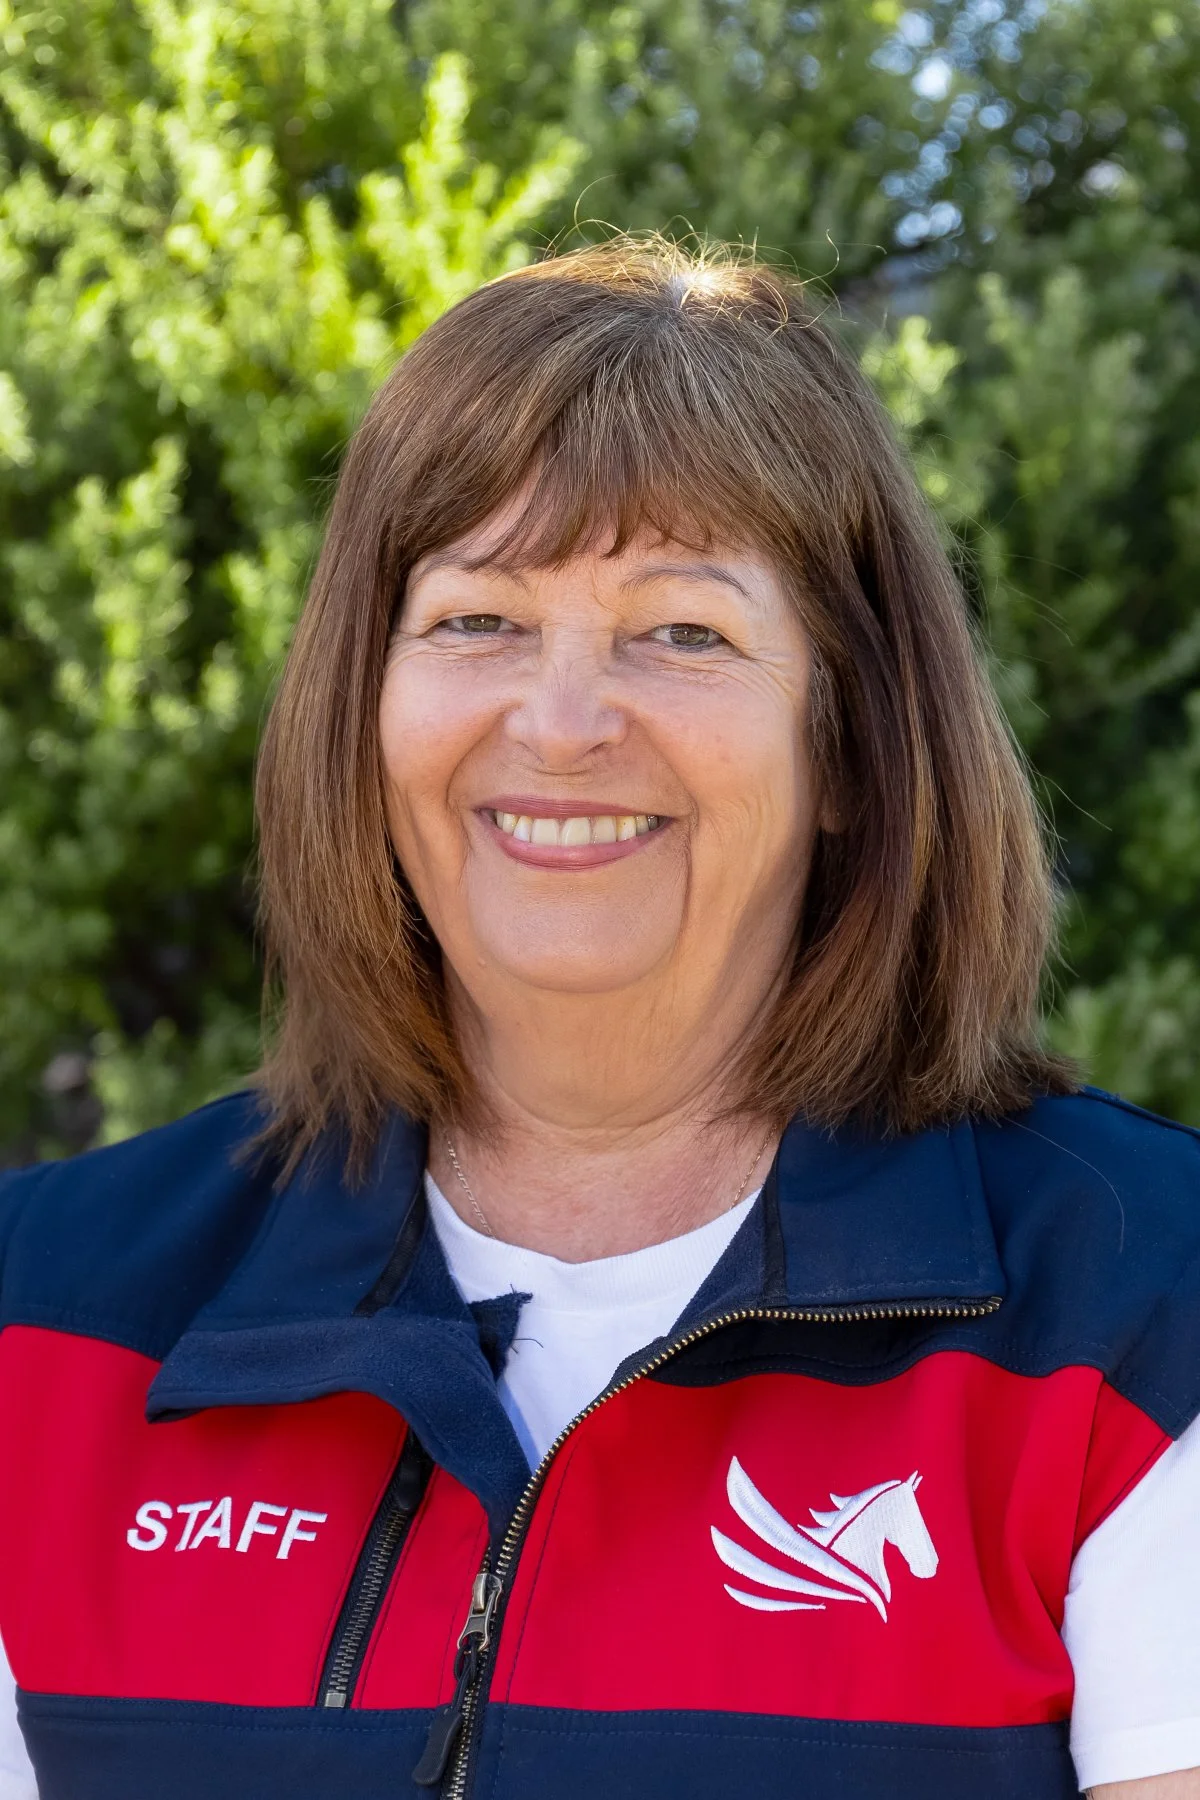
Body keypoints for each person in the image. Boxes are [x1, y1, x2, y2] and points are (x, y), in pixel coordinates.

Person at [0, 238, 1197, 1800]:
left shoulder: (1145, 1313)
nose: (560, 725)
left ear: (851, 744)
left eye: (682, 631)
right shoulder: (44, 1319)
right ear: (364, 708)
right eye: (477, 620)